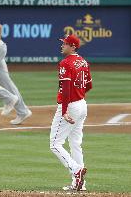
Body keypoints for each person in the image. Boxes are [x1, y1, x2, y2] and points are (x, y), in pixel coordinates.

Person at [50, 34, 92, 191]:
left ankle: (77, 171)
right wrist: (78, 96)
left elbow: (66, 89)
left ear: (73, 46)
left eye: (65, 44)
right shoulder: (83, 62)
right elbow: (88, 85)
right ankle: (80, 184)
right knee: (75, 143)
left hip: (70, 106)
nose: (62, 45)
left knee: (55, 144)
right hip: (82, 104)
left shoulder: (65, 63)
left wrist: (66, 109)